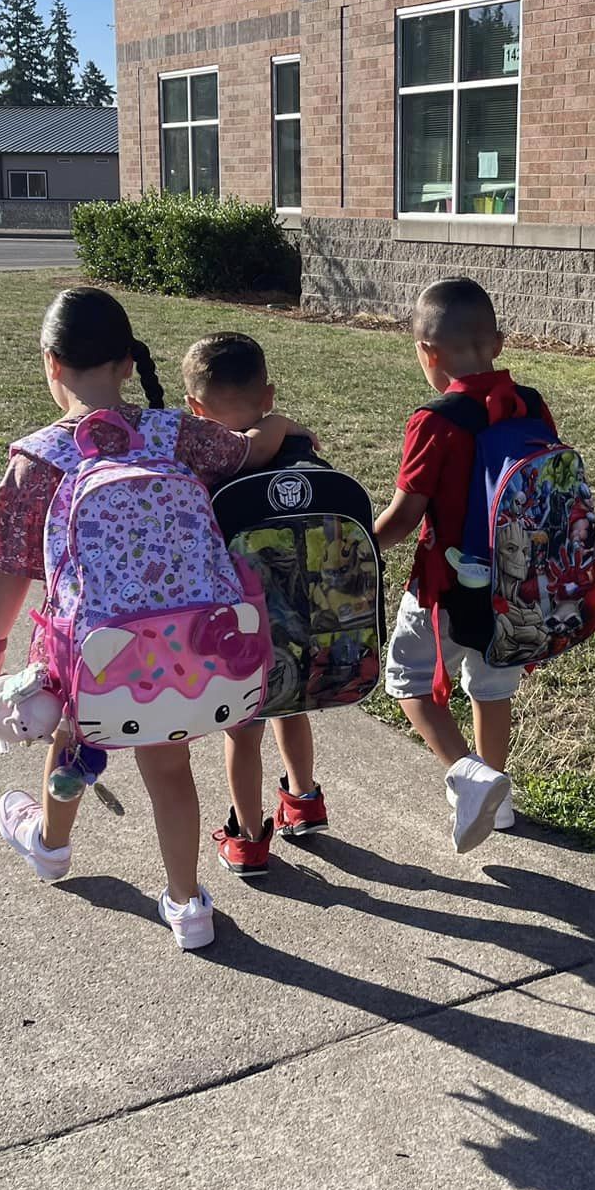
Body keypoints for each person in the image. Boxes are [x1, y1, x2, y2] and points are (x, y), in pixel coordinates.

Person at [0, 288, 315, 950]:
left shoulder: (38, 456)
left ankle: (50, 844)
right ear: (128, 364)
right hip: (180, 652)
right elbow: (249, 451)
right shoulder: (174, 433)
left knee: (74, 743)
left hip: (91, 651)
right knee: (169, 770)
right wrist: (281, 429)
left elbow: (11, 566)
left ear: (50, 364)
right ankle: (189, 908)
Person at [372, 277, 553, 853]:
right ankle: (493, 801)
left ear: (426, 352)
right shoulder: (530, 404)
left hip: (446, 584)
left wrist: (358, 545)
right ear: (497, 342)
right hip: (516, 580)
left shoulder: (436, 419)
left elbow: (404, 518)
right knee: (491, 686)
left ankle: (468, 775)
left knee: (407, 680)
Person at [180, 332, 331, 879]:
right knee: (291, 709)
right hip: (304, 621)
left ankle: (246, 839)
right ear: (268, 394)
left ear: (195, 409)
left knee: (242, 733)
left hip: (238, 634)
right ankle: (305, 799)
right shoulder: (300, 452)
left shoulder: (206, 469)